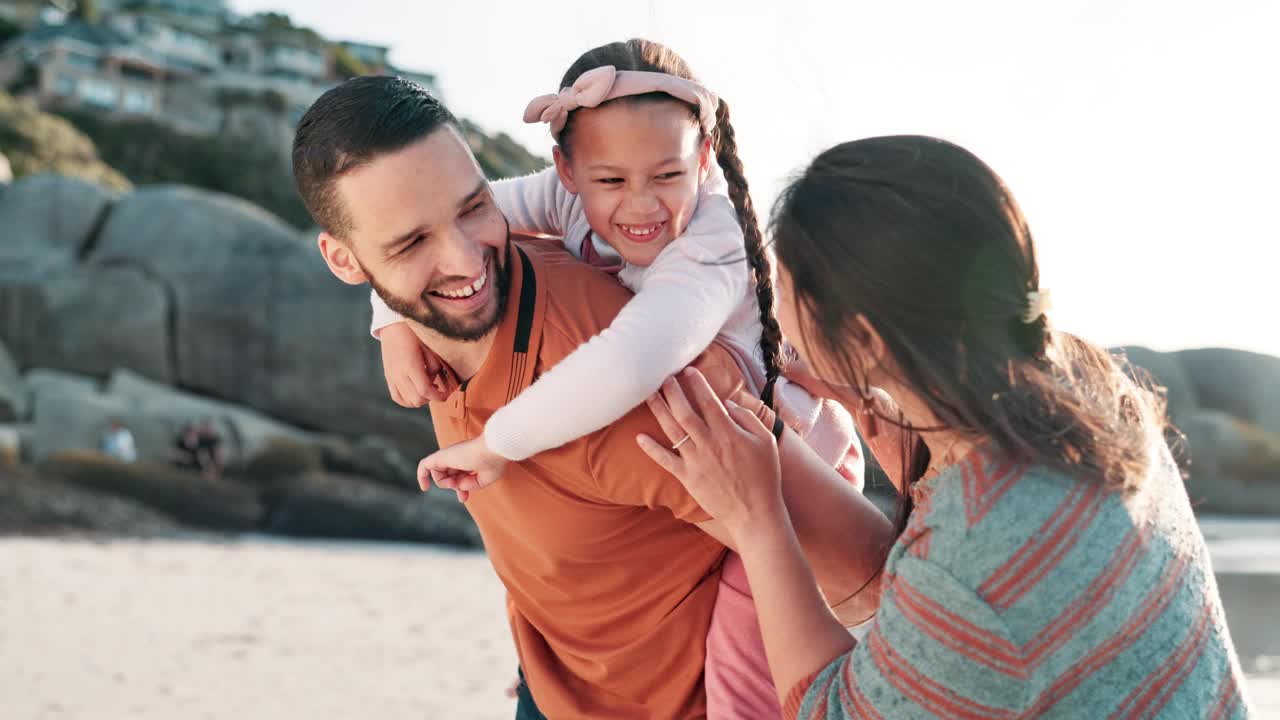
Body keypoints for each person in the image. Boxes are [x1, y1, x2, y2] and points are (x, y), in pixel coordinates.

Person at [292, 75, 893, 719]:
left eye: (474, 208)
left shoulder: (624, 379)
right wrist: (388, 317)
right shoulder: (423, 325)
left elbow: (864, 576)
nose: (466, 260)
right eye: (411, 242)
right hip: (549, 685)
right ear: (347, 261)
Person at [641, 135, 1254, 718]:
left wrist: (757, 520)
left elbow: (832, 711)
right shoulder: (1085, 384)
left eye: (784, 286)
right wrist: (865, 391)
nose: (771, 305)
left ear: (865, 337)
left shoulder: (980, 547)